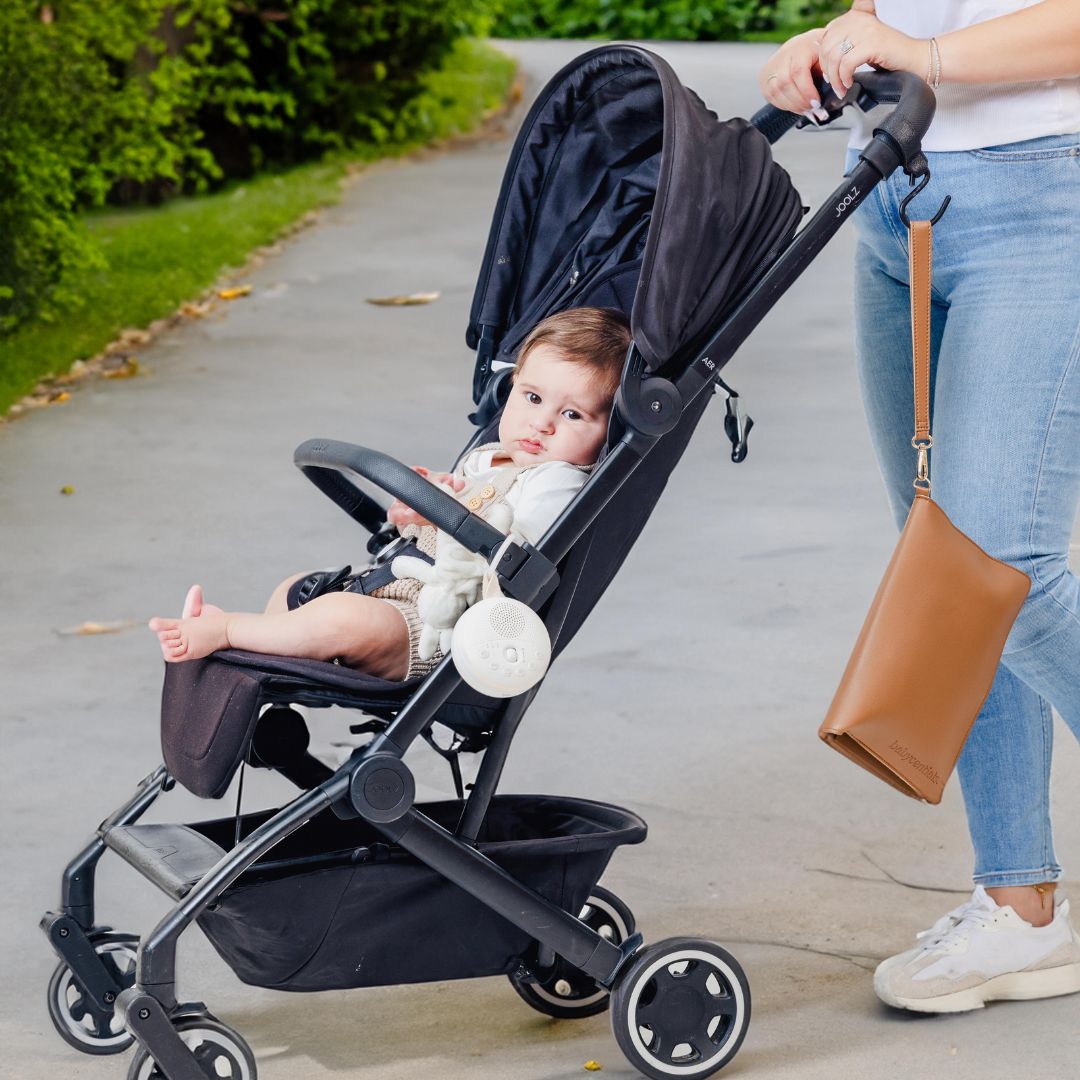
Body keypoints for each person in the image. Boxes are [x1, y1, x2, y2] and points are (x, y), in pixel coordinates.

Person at [761, 1, 1080, 1013]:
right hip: (892, 194)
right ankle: (1019, 904)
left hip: (1043, 195)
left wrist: (930, 57)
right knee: (945, 569)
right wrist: (837, 37)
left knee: (1002, 566)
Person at [148, 306, 630, 681]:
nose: (541, 423)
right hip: (394, 588)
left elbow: (510, 552)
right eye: (532, 397)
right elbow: (455, 520)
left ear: (606, 432)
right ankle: (255, 643)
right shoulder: (488, 459)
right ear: (511, 388)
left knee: (340, 616)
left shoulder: (558, 480)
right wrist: (420, 509)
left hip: (436, 631)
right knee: (297, 587)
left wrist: (449, 512)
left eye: (572, 415)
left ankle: (229, 631)